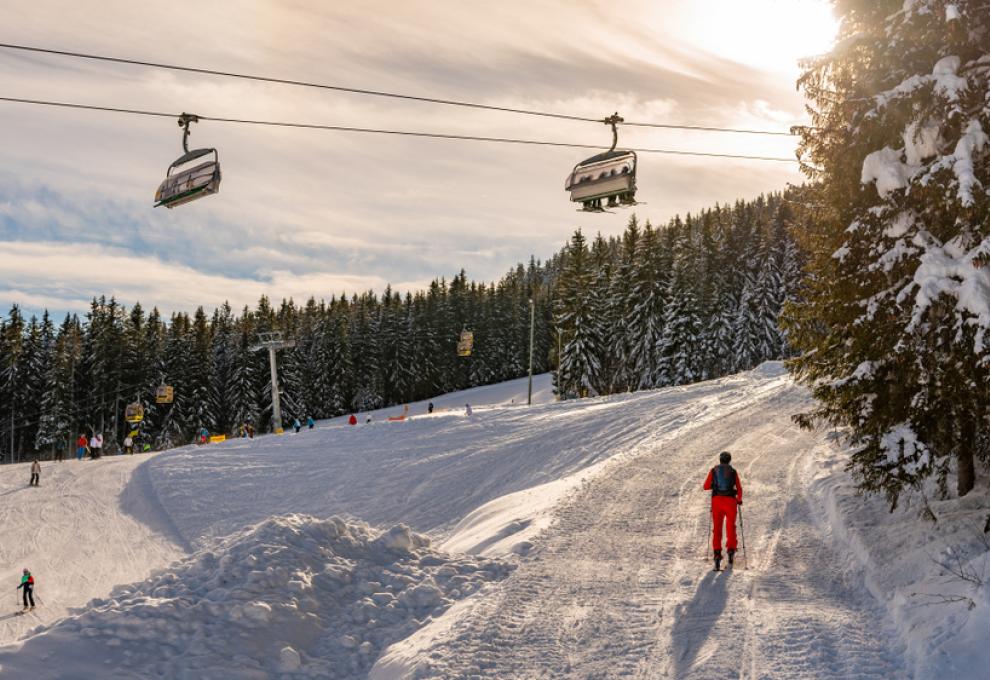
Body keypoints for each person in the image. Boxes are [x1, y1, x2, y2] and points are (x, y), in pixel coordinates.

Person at [703, 451, 743, 570]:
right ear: (729, 460)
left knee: (717, 529)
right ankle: (730, 551)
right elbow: (739, 488)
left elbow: (705, 486)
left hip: (717, 502)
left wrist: (714, 486)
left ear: (720, 460)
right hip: (730, 502)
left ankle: (716, 554)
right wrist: (739, 499)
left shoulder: (713, 470)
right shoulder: (733, 471)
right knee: (730, 527)